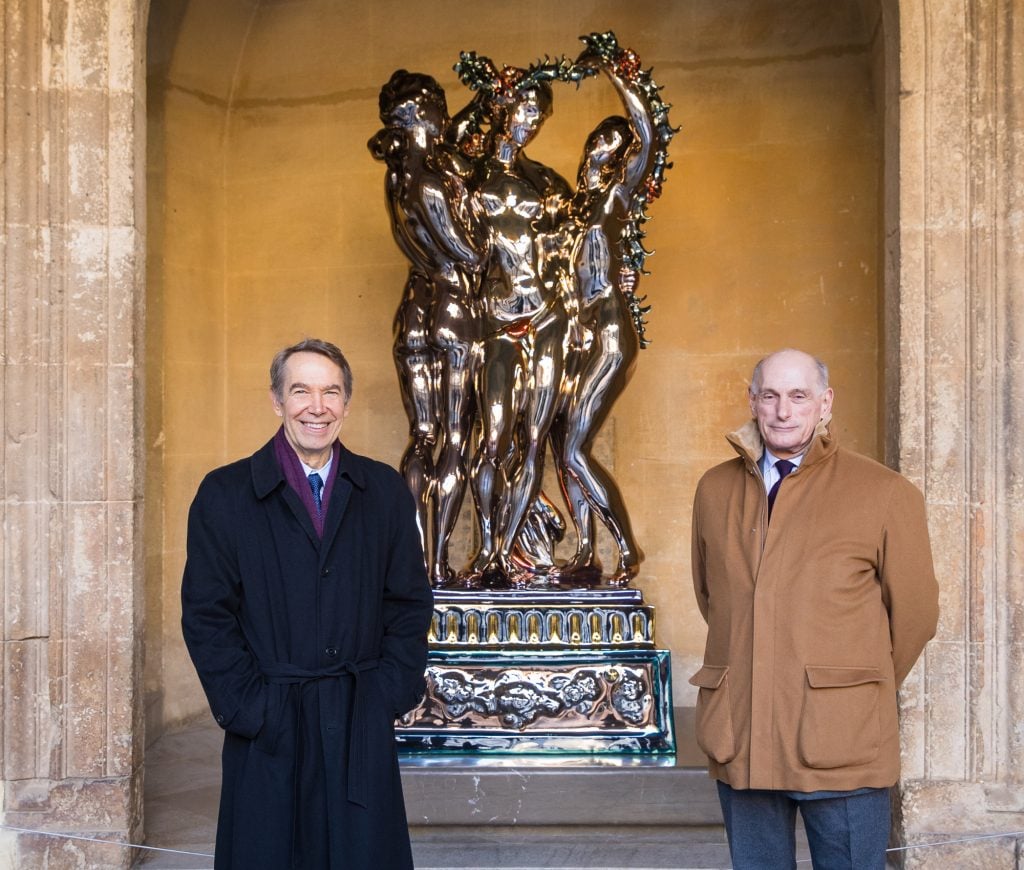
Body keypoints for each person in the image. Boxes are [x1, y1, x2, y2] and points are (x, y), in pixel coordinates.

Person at [181, 338, 433, 870]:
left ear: (345, 402)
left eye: (330, 392)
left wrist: (389, 692)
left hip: (357, 715)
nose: (316, 407)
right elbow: (207, 614)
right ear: (277, 400)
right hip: (269, 724)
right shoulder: (225, 495)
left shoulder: (384, 492)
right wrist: (250, 708)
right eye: (301, 391)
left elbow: (409, 603)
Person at [689, 348, 939, 870]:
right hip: (744, 739)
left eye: (799, 396)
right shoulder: (714, 489)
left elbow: (915, 616)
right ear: (753, 401)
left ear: (824, 404)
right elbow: (714, 599)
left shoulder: (885, 492)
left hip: (840, 744)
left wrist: (853, 690)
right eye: (771, 395)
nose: (784, 410)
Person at [369, 70, 485, 586]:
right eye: (440, 109)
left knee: (422, 439)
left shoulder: (397, 175)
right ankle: (434, 565)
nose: (445, 119)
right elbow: (471, 253)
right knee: (457, 440)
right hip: (453, 308)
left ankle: (414, 565)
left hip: (414, 309)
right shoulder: (434, 180)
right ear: (422, 114)